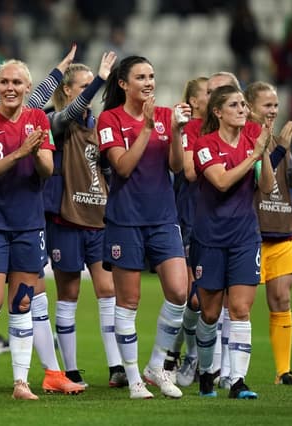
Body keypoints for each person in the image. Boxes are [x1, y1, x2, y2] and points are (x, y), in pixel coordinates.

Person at [97, 55, 190, 399]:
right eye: (141, 77)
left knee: (180, 292)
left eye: (152, 75)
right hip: (126, 219)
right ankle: (135, 378)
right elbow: (122, 167)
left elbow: (176, 167)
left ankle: (156, 366)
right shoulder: (110, 119)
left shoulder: (166, 116)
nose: (149, 82)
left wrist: (177, 132)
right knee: (129, 301)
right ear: (123, 84)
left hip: (164, 216)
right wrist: (148, 128)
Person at [0, 59, 55, 400]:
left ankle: (21, 382)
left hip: (29, 224)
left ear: (28, 88)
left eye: (17, 82)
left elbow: (47, 170)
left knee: (21, 303)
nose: (10, 88)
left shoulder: (38, 119)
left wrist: (36, 152)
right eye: (4, 82)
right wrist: (20, 152)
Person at [43, 51, 124, 390]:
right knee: (69, 293)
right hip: (65, 218)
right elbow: (69, 114)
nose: (90, 92)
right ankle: (71, 369)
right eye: (85, 86)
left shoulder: (99, 125)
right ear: (67, 90)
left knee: (107, 291)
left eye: (93, 85)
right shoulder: (54, 120)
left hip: (97, 217)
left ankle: (116, 366)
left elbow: (106, 168)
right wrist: (103, 79)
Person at [192, 84, 275, 399]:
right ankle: (205, 372)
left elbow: (265, 187)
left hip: (244, 236)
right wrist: (254, 153)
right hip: (210, 236)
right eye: (235, 105)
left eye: (244, 105)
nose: (243, 109)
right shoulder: (205, 144)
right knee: (210, 314)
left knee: (240, 308)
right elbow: (222, 181)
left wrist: (264, 153)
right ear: (217, 112)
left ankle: (237, 381)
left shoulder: (254, 138)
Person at [244, 81, 292, 386]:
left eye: (276, 105)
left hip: (281, 230)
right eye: (267, 105)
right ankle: (230, 372)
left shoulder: (280, 139)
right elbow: (249, 182)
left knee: (282, 300)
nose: (273, 110)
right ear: (250, 107)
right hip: (251, 233)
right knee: (239, 306)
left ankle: (282, 371)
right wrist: (276, 150)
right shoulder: (243, 140)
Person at [170, 76, 209, 387]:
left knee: (207, 298)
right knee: (191, 298)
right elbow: (188, 172)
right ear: (194, 101)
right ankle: (190, 356)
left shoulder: (222, 131)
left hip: (216, 222)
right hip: (188, 220)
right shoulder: (187, 130)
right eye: (208, 93)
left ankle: (178, 353)